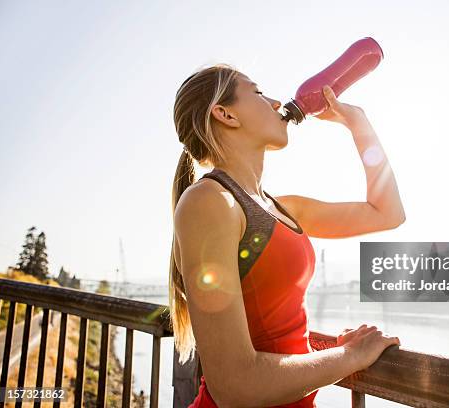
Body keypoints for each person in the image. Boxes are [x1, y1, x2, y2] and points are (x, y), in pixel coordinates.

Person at [169, 63, 405, 407]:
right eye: (259, 92)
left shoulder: (280, 208)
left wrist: (358, 123)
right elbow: (235, 386)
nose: (278, 103)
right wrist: (350, 357)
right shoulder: (210, 202)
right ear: (225, 114)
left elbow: (388, 213)